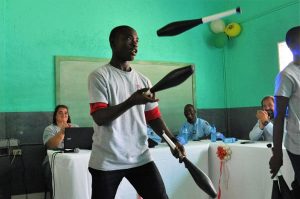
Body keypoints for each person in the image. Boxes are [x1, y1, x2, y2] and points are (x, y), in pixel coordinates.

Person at [88, 25, 185, 199]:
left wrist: (173, 141)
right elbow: (100, 117)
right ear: (112, 42)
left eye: (137, 40)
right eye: (128, 39)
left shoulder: (143, 80)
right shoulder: (99, 76)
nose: (135, 45)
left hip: (140, 157)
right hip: (107, 161)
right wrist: (132, 101)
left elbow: (153, 118)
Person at [269, 26, 300, 197]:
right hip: (297, 144)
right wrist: (277, 153)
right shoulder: (287, 75)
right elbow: (279, 117)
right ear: (293, 45)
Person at [42, 104, 78, 198]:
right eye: (60, 113)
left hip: (74, 157)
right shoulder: (50, 129)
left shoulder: (75, 127)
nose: (64, 115)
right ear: (55, 116)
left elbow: (81, 143)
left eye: (66, 113)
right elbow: (51, 145)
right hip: (55, 158)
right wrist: (62, 132)